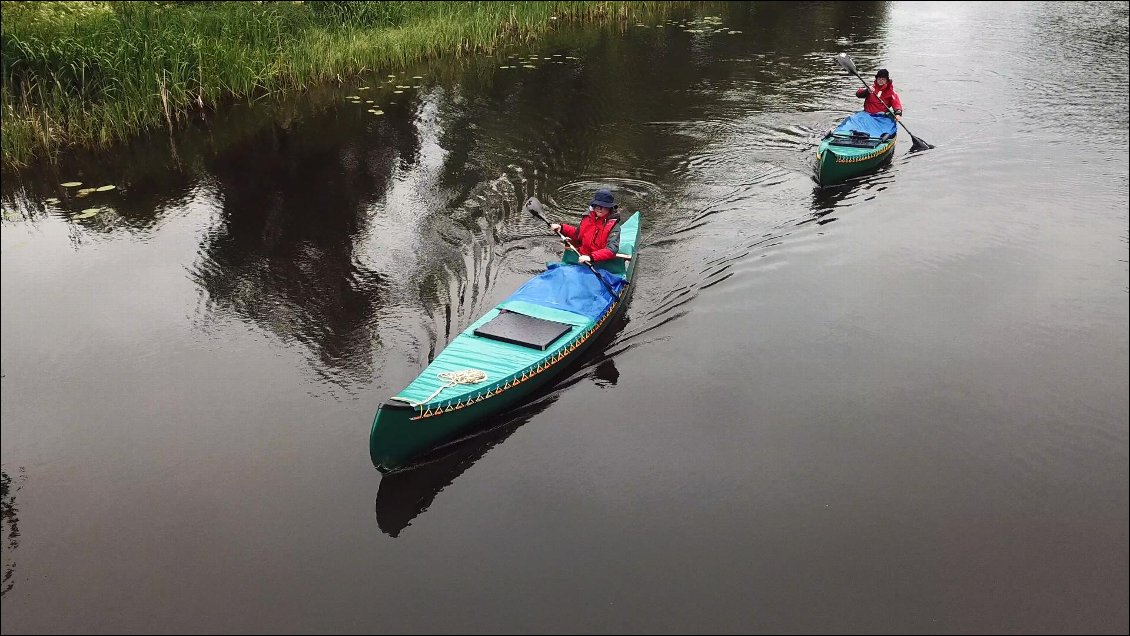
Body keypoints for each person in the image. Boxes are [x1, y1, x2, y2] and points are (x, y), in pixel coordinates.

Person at [550, 189, 621, 263]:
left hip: (599, 262)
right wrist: (561, 228)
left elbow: (612, 250)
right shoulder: (587, 218)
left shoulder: (614, 227)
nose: (599, 209)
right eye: (597, 206)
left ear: (610, 208)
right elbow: (577, 234)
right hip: (581, 257)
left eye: (604, 207)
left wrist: (591, 257)